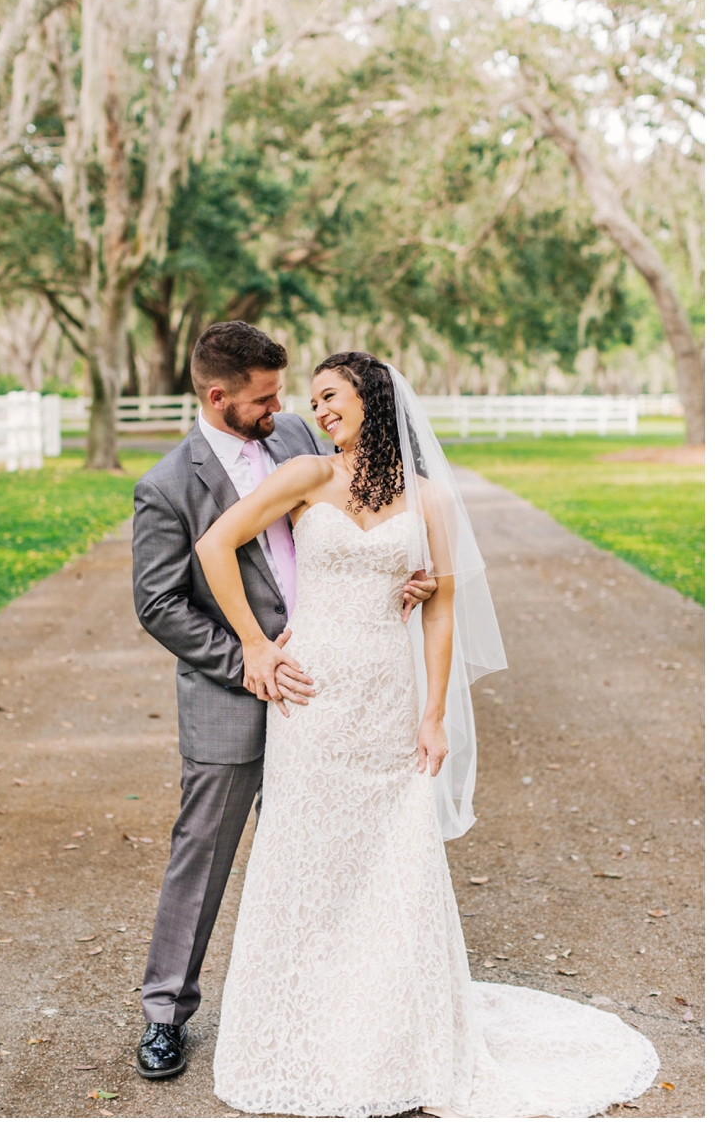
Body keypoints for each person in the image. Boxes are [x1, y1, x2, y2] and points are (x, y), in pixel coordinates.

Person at [195, 351, 660, 1118]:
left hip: (388, 697)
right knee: (305, 857)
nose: (321, 411)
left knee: (393, 866)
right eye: (314, 401)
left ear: (373, 395)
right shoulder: (308, 476)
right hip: (311, 700)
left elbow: (441, 606)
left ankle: (392, 1039)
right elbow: (216, 545)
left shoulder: (434, 499)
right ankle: (302, 1031)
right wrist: (254, 643)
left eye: (332, 395)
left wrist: (434, 711)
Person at [131, 325, 435, 1080]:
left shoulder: (300, 435)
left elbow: (385, 499)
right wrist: (252, 660)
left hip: (338, 694)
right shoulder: (168, 484)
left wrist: (404, 571)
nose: (281, 409)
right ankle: (166, 1014)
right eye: (263, 398)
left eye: (283, 393)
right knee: (203, 854)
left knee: (321, 854)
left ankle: (331, 1007)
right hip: (237, 691)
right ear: (217, 397)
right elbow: (159, 603)